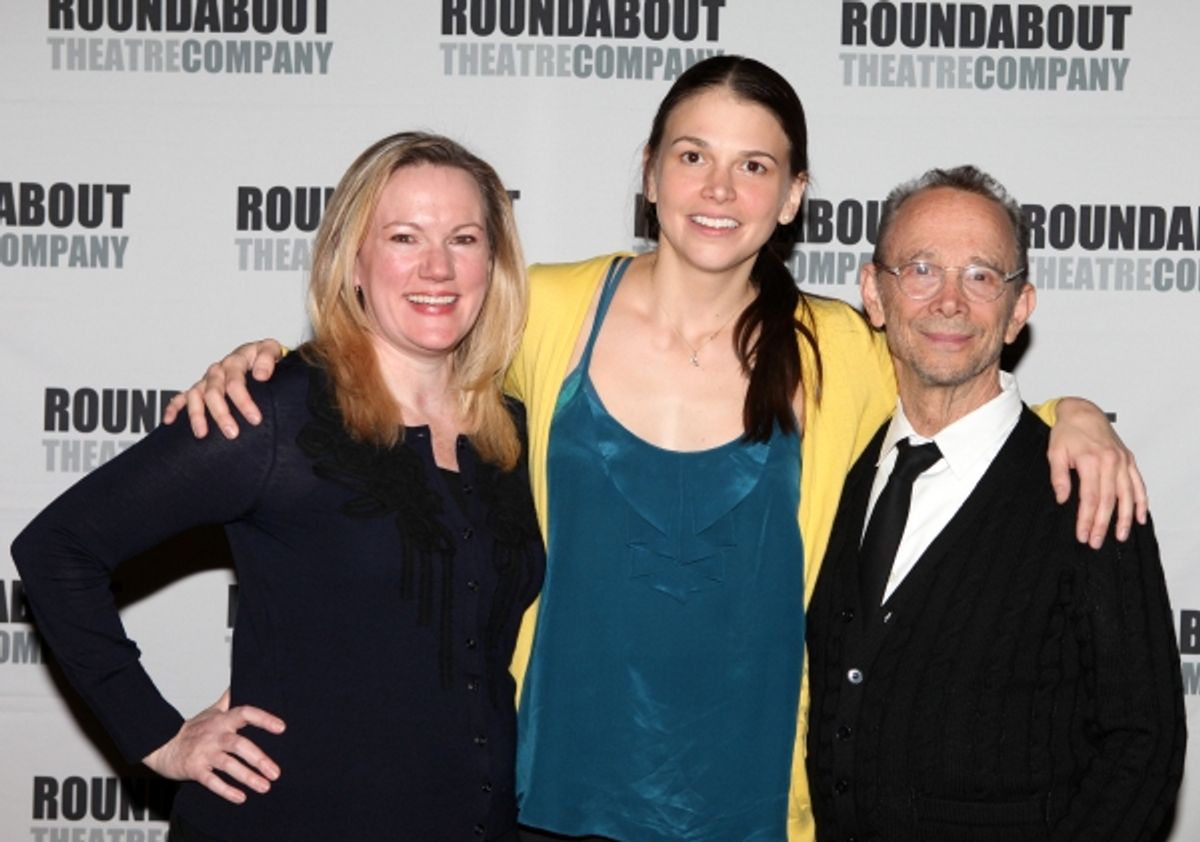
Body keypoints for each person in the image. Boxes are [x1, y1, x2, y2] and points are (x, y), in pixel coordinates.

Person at [163, 58, 1147, 841]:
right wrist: (267, 366)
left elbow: (958, 372)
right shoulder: (547, 308)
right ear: (648, 170)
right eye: (692, 155)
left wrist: (1076, 410)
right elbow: (399, 337)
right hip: (542, 793)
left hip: (753, 811)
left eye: (755, 165)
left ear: (795, 193)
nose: (720, 189)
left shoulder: (841, 345)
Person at [11, 132, 545, 841]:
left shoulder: (513, 432)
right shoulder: (276, 413)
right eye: (404, 237)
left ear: (495, 262)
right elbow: (57, 549)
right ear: (353, 260)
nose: (438, 267)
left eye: (465, 238)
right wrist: (157, 735)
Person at [805, 165, 1185, 841]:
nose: (949, 300)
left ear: (1019, 309)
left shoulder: (1086, 490)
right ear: (873, 293)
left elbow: (1144, 743)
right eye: (920, 268)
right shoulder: (845, 469)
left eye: (981, 276)